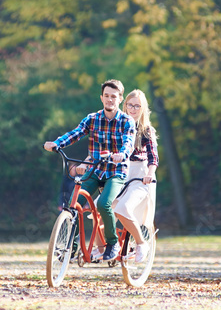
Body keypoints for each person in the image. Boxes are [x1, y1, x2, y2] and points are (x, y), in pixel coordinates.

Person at [45, 79, 135, 262]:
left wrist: (121, 154)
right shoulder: (92, 119)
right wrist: (57, 144)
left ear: (120, 99)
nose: (110, 100)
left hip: (116, 171)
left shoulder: (127, 121)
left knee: (103, 204)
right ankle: (72, 245)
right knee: (74, 204)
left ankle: (112, 243)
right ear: (101, 98)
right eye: (107, 96)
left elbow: (128, 143)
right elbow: (75, 133)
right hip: (95, 170)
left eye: (114, 97)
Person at [112, 89, 158, 264]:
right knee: (99, 209)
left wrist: (150, 173)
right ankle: (106, 247)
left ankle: (141, 243)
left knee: (122, 208)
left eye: (137, 106)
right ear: (125, 106)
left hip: (139, 175)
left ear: (143, 109)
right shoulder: (117, 127)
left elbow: (153, 156)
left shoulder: (146, 130)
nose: (133, 109)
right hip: (119, 172)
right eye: (130, 105)